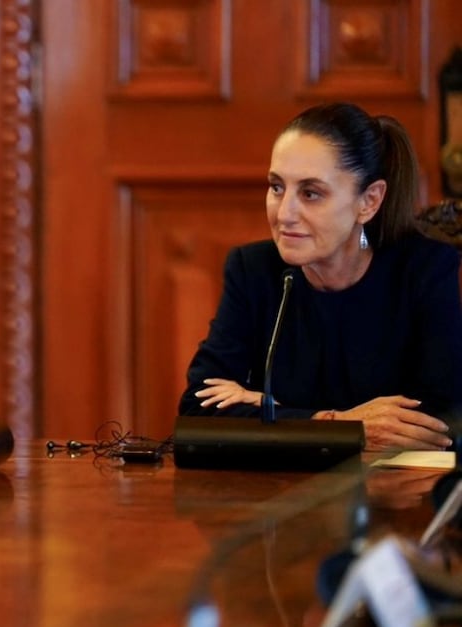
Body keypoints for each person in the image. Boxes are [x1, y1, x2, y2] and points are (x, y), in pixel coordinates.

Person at [178, 102, 462, 452]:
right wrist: (339, 424)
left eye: (311, 193)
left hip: (397, 495)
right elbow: (198, 412)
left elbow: (440, 424)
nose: (284, 214)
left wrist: (268, 408)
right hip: (279, 494)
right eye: (277, 187)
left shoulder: (424, 271)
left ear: (368, 202)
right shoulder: (254, 271)